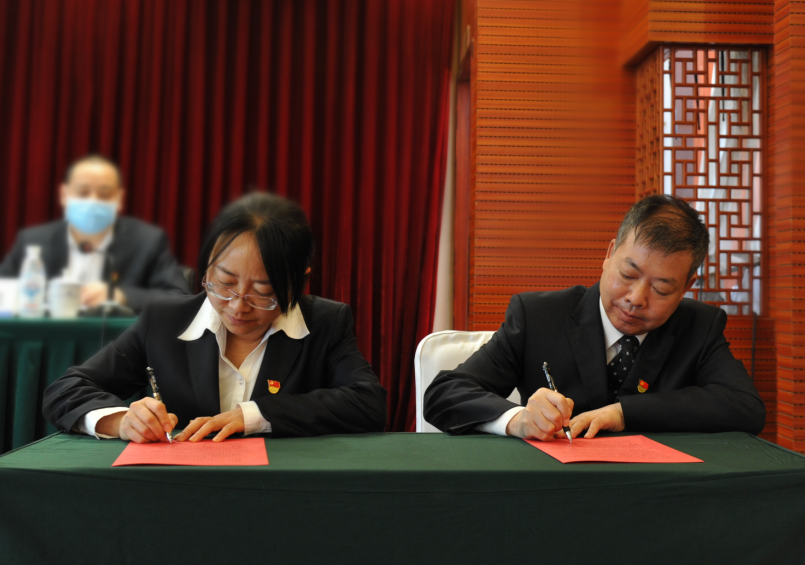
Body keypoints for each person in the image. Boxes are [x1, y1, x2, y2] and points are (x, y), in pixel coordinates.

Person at [43, 192, 387, 442]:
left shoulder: (325, 322)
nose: (238, 306)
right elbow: (66, 389)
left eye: (263, 292)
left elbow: (368, 403)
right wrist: (120, 421)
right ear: (206, 268)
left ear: (300, 282)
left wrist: (253, 416)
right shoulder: (165, 321)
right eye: (224, 284)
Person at [424, 194, 766, 440]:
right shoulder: (538, 316)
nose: (636, 298)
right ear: (609, 254)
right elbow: (445, 393)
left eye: (662, 289)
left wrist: (624, 413)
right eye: (628, 274)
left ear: (687, 287)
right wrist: (517, 419)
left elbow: (745, 407)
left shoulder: (699, 326)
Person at [0, 154, 189, 313]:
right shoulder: (33, 240)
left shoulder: (147, 241)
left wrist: (119, 295)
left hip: (115, 342)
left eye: (104, 194)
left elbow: (179, 297)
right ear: (64, 195)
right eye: (82, 192)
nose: (93, 201)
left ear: (120, 199)